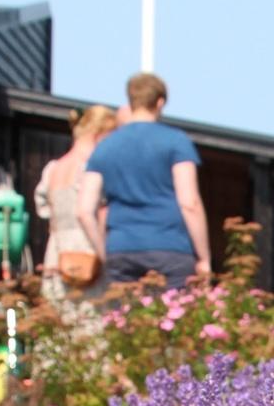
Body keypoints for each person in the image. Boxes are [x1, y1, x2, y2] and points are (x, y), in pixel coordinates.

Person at [79, 73, 210, 288]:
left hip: (121, 251)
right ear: (160, 102)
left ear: (131, 101)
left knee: (125, 320)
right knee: (173, 318)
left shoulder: (105, 147)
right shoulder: (176, 142)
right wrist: (203, 258)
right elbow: (189, 203)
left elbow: (84, 211)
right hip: (170, 249)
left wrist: (105, 253)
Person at [33, 104, 116, 298]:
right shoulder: (90, 168)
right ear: (100, 133)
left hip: (57, 254)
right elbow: (88, 213)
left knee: (59, 322)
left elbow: (45, 211)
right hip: (88, 253)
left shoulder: (53, 168)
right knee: (91, 319)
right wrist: (106, 256)